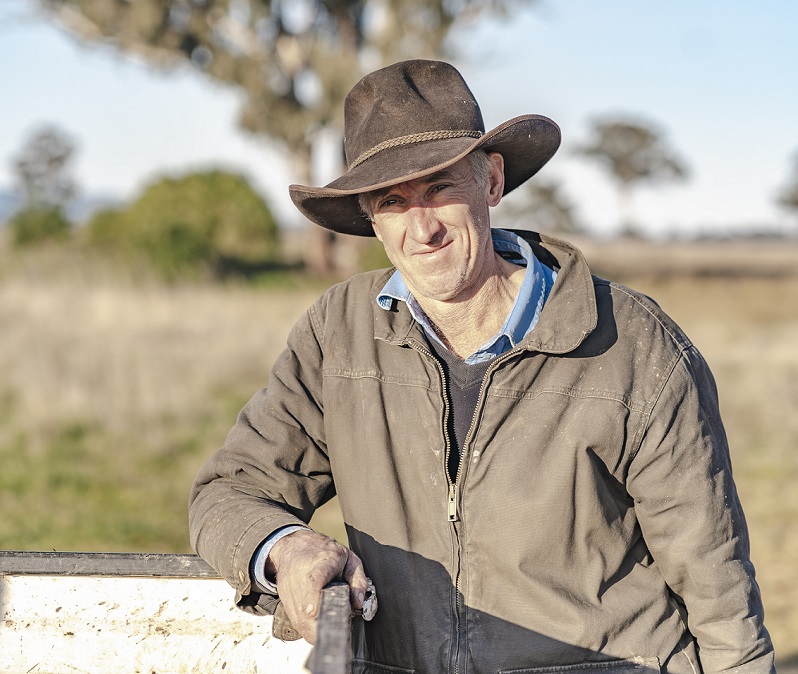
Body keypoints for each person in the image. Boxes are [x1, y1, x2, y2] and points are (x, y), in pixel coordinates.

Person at [189, 59, 775, 673]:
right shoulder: (339, 333)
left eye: (441, 188)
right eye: (392, 200)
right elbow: (228, 493)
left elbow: (714, 575)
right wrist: (289, 547)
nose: (422, 228)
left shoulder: (632, 342)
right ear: (368, 216)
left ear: (491, 182)